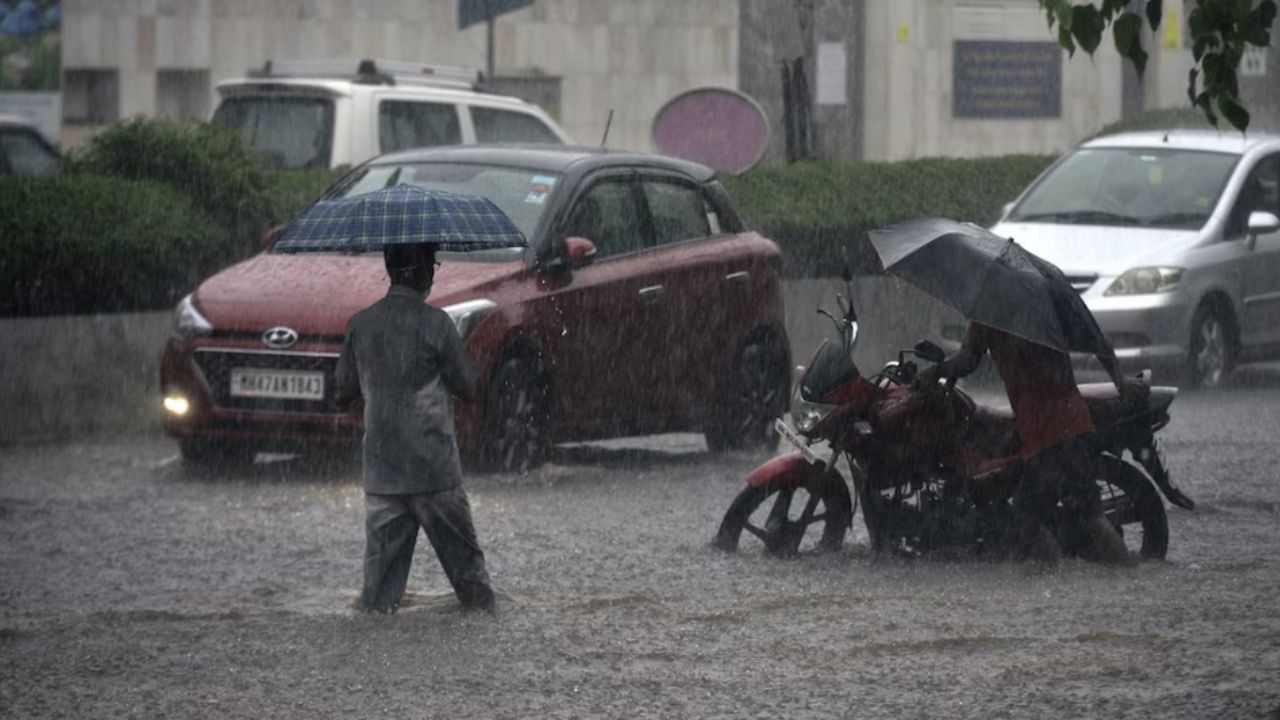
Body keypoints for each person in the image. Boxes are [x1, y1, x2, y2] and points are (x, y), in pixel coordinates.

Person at [335, 243, 496, 613]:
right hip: (434, 471)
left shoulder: (360, 324)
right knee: (474, 592)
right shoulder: (437, 324)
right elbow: (469, 388)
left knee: (377, 603)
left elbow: (341, 393)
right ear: (423, 270)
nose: (434, 273)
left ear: (390, 268)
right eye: (433, 264)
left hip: (382, 473)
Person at [918, 321, 1135, 566]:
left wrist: (935, 372)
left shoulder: (990, 310)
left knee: (1039, 514)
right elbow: (1096, 340)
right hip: (1068, 418)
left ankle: (1062, 576)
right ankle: (1111, 577)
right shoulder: (1041, 303)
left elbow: (968, 360)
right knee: (1075, 512)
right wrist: (1120, 380)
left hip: (1047, 429)